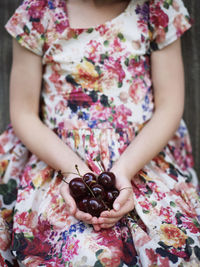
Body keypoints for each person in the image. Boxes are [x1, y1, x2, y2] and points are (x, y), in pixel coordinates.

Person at [0, 0, 200, 266]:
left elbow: (170, 106)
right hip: (58, 160)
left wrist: (125, 170)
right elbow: (24, 113)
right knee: (81, 255)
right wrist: (73, 173)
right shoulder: (38, 14)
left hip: (140, 157)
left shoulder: (157, 9)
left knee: (176, 248)